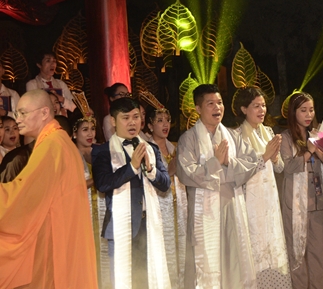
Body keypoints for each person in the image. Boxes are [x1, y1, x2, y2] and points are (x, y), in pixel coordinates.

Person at [176, 84, 279, 289]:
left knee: (234, 261)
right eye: (210, 103)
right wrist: (215, 162)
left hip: (232, 207)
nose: (217, 107)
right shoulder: (189, 139)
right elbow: (186, 173)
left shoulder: (232, 136)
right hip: (205, 213)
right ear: (198, 108)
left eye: (220, 102)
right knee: (205, 262)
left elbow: (250, 162)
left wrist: (227, 163)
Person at [0, 89, 98, 288]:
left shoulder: (52, 145)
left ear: (44, 112)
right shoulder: (60, 141)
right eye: (17, 113)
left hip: (53, 238)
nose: (18, 119)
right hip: (63, 234)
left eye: (23, 113)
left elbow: (23, 194)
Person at [92, 97, 172, 289]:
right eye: (125, 117)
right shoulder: (102, 151)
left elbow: (165, 184)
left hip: (148, 223)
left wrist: (150, 169)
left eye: (136, 117)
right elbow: (102, 184)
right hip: (121, 225)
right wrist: (132, 167)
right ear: (113, 121)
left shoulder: (151, 148)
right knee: (125, 280)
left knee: (149, 280)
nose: (132, 122)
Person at [233, 87, 292, 289]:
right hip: (250, 200)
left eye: (264, 105)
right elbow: (239, 173)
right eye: (256, 106)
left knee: (274, 244)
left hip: (270, 199)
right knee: (254, 248)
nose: (262, 110)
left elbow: (280, 167)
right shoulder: (237, 136)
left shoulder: (268, 132)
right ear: (244, 109)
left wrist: (274, 158)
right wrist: (265, 156)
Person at [281, 92, 323, 289]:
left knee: (321, 256)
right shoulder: (285, 138)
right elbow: (288, 167)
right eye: (303, 110)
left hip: (319, 203)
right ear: (293, 112)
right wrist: (309, 150)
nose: (308, 114)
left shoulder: (317, 134)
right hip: (296, 206)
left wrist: (319, 148)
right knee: (297, 256)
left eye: (311, 110)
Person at [144, 97, 187, 289]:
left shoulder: (175, 147)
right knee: (164, 248)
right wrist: (168, 171)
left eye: (167, 120)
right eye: (159, 121)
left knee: (182, 248)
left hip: (180, 205)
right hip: (160, 205)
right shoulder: (147, 149)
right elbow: (147, 180)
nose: (165, 125)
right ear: (150, 125)